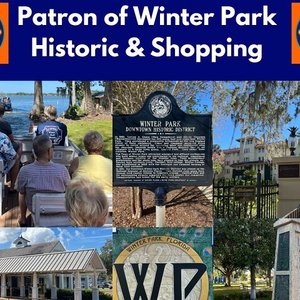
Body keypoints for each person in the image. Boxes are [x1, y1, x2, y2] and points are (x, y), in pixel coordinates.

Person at [16, 135, 70, 226]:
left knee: (21, 193)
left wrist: (22, 216)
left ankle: (23, 218)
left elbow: (21, 192)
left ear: (34, 152)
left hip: (36, 211)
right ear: (49, 151)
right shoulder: (62, 170)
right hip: (60, 212)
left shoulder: (25, 171)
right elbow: (70, 191)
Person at [0, 104, 22, 191]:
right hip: (3, 150)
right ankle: (12, 186)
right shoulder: (4, 127)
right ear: (3, 113)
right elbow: (11, 139)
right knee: (16, 156)